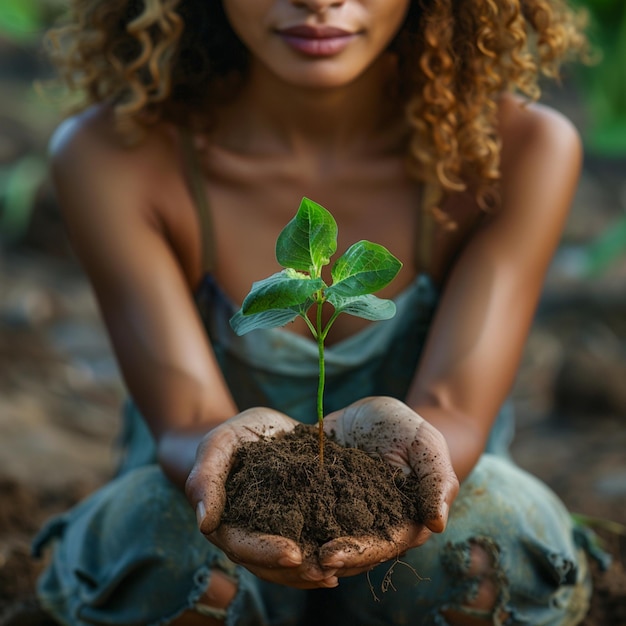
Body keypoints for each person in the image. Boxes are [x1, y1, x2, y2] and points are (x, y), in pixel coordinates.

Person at [29, 0, 603, 624]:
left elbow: (456, 405)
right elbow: (186, 416)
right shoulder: (116, 153)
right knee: (169, 561)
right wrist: (235, 458)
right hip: (204, 507)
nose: (319, 0)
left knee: (487, 553)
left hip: (417, 526)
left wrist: (400, 459)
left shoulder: (514, 149)